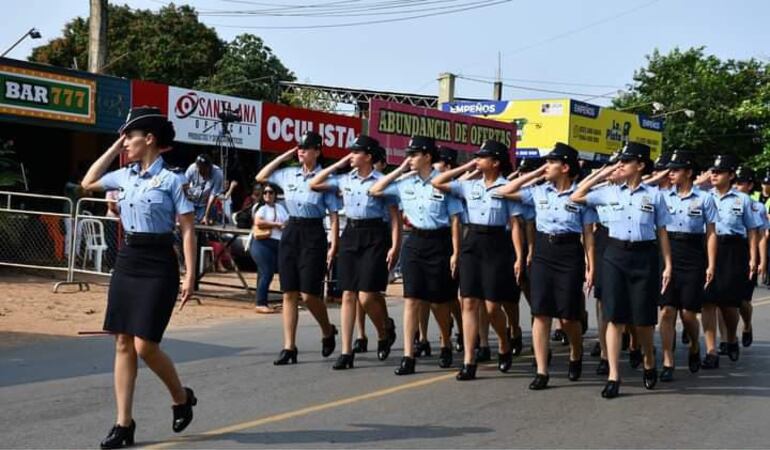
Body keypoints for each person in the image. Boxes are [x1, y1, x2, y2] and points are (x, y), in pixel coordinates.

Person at [80, 107, 198, 448]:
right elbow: (88, 183)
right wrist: (114, 150)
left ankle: (181, 397)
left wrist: (190, 276)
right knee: (121, 341)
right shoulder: (124, 176)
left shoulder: (173, 180)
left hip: (160, 262)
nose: (125, 143)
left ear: (149, 139)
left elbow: (188, 230)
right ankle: (124, 423)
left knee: (145, 345)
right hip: (129, 258)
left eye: (129, 137)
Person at [571, 142, 673, 399]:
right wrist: (604, 172)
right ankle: (614, 375)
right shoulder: (607, 192)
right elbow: (576, 196)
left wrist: (668, 264)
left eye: (625, 162)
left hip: (644, 255)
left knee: (643, 320)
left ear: (640, 165)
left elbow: (662, 232)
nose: (621, 166)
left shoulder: (655, 195)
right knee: (614, 316)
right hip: (614, 254)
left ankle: (649, 360)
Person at [498, 143, 596, 390]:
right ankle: (542, 371)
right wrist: (536, 173)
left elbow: (588, 235)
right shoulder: (538, 191)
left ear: (565, 167)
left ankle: (576, 352)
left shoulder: (580, 195)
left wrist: (590, 266)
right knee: (540, 313)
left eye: (552, 162)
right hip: (543, 251)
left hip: (569, 252)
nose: (547, 166)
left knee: (568, 316)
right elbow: (504, 190)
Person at [370, 135, 463, 374]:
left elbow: (454, 220)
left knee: (438, 301)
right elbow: (375, 189)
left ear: (428, 157)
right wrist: (400, 169)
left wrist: (455, 252)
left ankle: (445, 342)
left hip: (439, 242)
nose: (409, 158)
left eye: (413, 155)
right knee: (411, 299)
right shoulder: (405, 182)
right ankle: (409, 355)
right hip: (414, 242)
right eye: (407, 155)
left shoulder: (442, 182)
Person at [310, 134, 400, 370]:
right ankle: (346, 351)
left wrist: (395, 245)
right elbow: (315, 183)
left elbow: (394, 217)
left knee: (367, 295)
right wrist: (338, 164)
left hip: (374, 235)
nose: (351, 155)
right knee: (348, 294)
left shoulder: (382, 181)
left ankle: (383, 332)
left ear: (368, 157)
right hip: (351, 232)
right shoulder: (344, 179)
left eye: (356, 152)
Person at [432, 139, 518, 381]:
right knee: (468, 302)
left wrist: (520, 256)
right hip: (472, 242)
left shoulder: (507, 187)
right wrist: (469, 166)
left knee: (492, 307)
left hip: (497, 244)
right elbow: (438, 182)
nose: (478, 160)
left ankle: (503, 341)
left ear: (496, 162)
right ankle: (469, 360)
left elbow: (514, 225)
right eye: (477, 156)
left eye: (483, 157)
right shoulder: (469, 185)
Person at [254, 131, 340, 364]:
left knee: (308, 294)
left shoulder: (325, 178)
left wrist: (334, 244)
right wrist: (284, 156)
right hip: (291, 230)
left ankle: (327, 329)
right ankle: (289, 347)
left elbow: (333, 215)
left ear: (318, 151)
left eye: (307, 147)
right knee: (289, 292)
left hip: (313, 232)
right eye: (299, 147)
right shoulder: (288, 173)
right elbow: (261, 177)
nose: (301, 150)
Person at [657, 150, 717, 381]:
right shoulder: (662, 196)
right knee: (667, 310)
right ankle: (668, 360)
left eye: (677, 169)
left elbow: (711, 233)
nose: (671, 173)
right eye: (670, 169)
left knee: (689, 314)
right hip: (667, 250)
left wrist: (711, 265)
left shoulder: (704, 198)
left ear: (689, 172)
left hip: (693, 254)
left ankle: (694, 345)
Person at [700, 155, 760, 368]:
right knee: (708, 300)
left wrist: (753, 258)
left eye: (719, 172)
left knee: (728, 303)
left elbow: (753, 230)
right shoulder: (705, 196)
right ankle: (711, 350)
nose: (714, 175)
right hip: (708, 247)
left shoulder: (742, 200)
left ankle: (732, 338)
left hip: (734, 250)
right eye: (713, 172)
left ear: (731, 175)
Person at [731, 166, 768, 348]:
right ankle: (727, 339)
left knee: (743, 301)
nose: (736, 187)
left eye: (740, 183)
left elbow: (760, 236)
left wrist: (761, 261)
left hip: (748, 252)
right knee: (726, 300)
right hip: (730, 252)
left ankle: (746, 325)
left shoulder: (757, 206)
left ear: (750, 185)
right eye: (734, 183)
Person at [249, 184, 288, 314]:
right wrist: (276, 224)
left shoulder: (280, 208)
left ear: (275, 195)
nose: (267, 195)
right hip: (262, 242)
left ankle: (273, 300)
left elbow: (287, 220)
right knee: (267, 272)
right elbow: (258, 222)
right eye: (265, 193)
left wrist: (284, 225)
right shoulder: (261, 208)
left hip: (278, 243)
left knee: (269, 272)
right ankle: (260, 303)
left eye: (270, 192)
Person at [184, 154, 224, 224]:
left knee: (206, 222)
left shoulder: (218, 173)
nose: (200, 171)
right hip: (191, 200)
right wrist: (187, 201)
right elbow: (184, 185)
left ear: (209, 167)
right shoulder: (192, 168)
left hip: (205, 204)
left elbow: (213, 195)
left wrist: (206, 215)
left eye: (203, 169)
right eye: (199, 168)